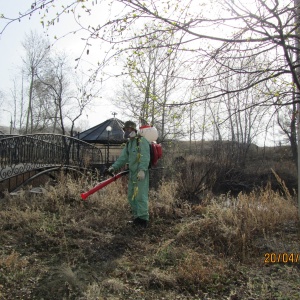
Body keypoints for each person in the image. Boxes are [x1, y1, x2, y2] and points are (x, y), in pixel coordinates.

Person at [106, 120, 150, 228]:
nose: (126, 132)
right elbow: (122, 158)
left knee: (140, 196)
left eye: (129, 130)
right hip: (132, 173)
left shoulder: (141, 141)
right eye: (125, 130)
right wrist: (113, 168)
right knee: (131, 196)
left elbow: (145, 156)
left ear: (134, 130)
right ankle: (136, 218)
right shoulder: (129, 144)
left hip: (141, 174)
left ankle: (143, 220)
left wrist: (142, 170)